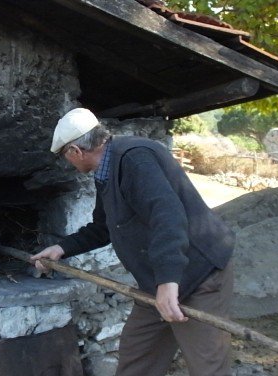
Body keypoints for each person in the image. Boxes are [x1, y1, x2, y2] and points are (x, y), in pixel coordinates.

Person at [30, 108, 235, 376]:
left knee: (208, 366)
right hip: (157, 282)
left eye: (66, 157)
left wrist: (168, 282)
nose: (69, 163)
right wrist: (62, 248)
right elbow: (103, 228)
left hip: (199, 275)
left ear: (75, 152)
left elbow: (168, 217)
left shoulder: (134, 159)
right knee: (137, 358)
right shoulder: (106, 172)